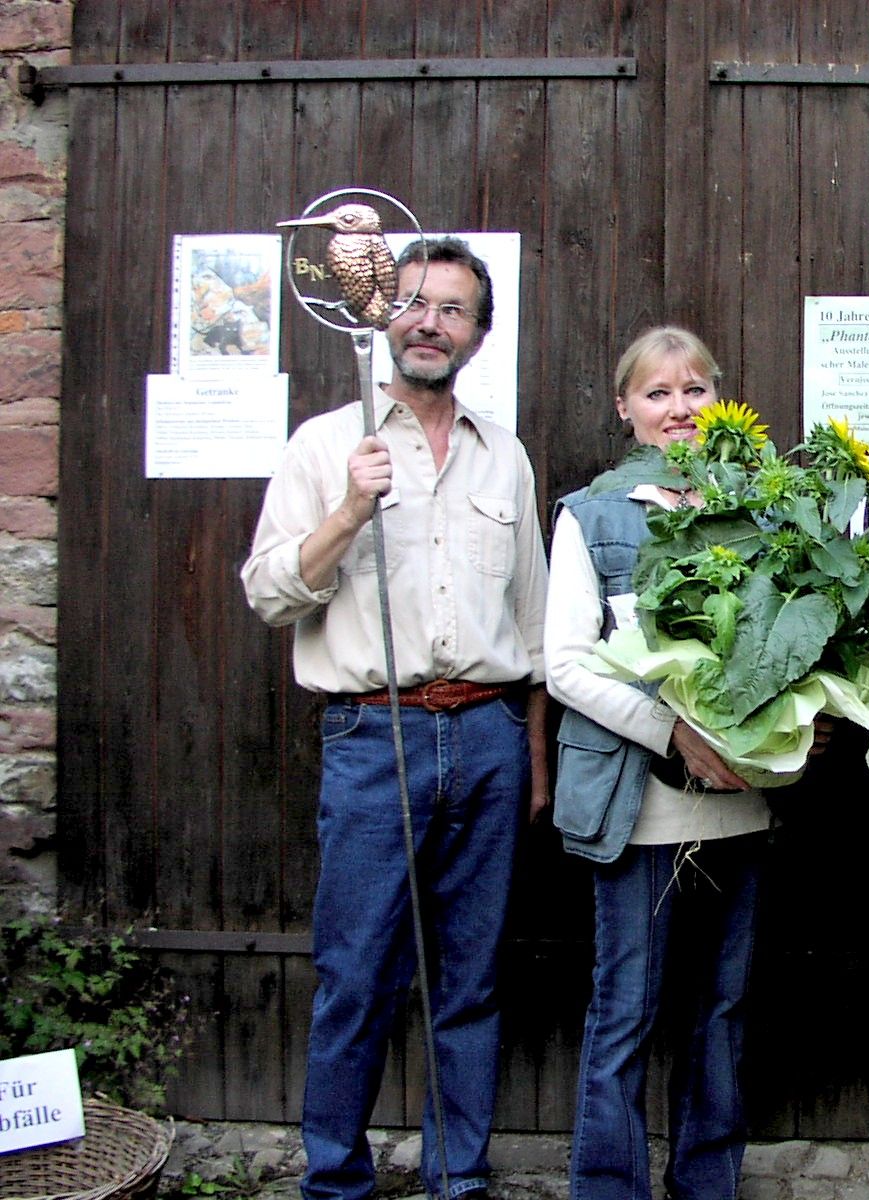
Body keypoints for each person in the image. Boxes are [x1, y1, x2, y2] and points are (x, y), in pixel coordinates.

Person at [242, 236, 549, 1200]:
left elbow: (534, 628)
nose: (429, 321)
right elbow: (267, 594)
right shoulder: (328, 443)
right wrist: (344, 510)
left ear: (480, 333)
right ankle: (336, 1181)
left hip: (492, 736)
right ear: (383, 317)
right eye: (413, 301)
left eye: (452, 308)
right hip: (374, 737)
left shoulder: (508, 457)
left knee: (471, 979)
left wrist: (534, 759)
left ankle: (459, 1178)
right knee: (357, 976)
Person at [546, 327, 773, 1200]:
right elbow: (565, 664)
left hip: (741, 805)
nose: (678, 410)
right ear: (625, 409)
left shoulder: (761, 512)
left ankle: (706, 1183)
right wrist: (673, 733)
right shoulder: (591, 515)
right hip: (641, 810)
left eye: (694, 391)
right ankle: (609, 1187)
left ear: (719, 400)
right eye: (657, 394)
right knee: (626, 1013)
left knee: (720, 1013)